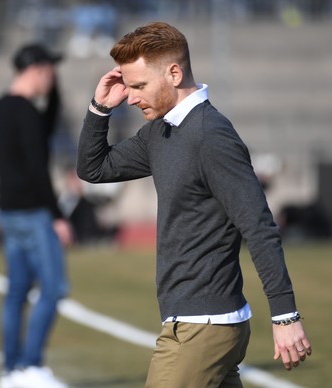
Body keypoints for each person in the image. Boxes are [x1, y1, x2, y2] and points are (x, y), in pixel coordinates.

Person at [76, 22, 312, 387]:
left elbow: (259, 225)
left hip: (204, 327)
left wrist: (285, 316)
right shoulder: (161, 131)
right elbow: (94, 168)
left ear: (174, 72)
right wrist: (99, 108)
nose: (132, 97)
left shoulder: (211, 136)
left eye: (139, 86)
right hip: (191, 322)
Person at [0, 43, 72, 388]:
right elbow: (39, 170)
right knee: (53, 288)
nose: (53, 77)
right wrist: (57, 216)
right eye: (50, 71)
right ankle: (29, 365)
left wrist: (52, 87)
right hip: (34, 213)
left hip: (8, 212)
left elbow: (50, 120)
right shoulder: (26, 114)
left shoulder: (0, 108)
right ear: (36, 69)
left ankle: (11, 370)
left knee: (17, 292)